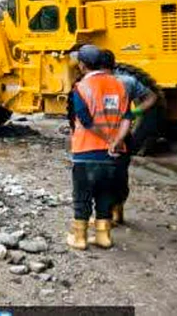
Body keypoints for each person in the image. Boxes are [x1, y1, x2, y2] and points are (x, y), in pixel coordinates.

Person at [66, 44, 133, 250]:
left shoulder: (81, 88)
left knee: (82, 196)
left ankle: (79, 238)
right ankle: (103, 237)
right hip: (112, 154)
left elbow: (85, 120)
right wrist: (115, 140)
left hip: (86, 151)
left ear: (83, 65)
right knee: (105, 194)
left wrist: (105, 137)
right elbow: (127, 118)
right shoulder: (119, 86)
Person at [99, 49, 160, 226]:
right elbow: (152, 97)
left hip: (102, 137)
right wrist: (134, 112)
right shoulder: (128, 81)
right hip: (123, 136)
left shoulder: (92, 83)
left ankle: (107, 216)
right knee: (120, 174)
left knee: (103, 175)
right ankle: (118, 210)